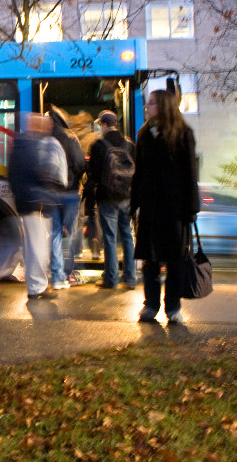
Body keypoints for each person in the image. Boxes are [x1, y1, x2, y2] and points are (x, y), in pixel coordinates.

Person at [131, 89, 201, 324]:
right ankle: (150, 305)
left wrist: (191, 208)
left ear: (163, 106)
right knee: (150, 260)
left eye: (151, 103)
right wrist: (135, 203)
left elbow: (190, 174)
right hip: (150, 208)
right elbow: (139, 172)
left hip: (174, 209)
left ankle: (173, 308)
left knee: (175, 261)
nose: (147, 107)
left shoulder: (182, 133)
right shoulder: (144, 134)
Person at [9, 112, 68, 300]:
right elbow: (36, 173)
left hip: (34, 203)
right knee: (37, 247)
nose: (47, 128)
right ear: (35, 125)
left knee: (38, 247)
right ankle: (37, 287)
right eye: (43, 125)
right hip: (34, 203)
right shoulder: (28, 145)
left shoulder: (24, 144)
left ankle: (38, 285)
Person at [84, 110, 138, 289]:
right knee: (128, 236)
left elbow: (94, 172)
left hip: (107, 197)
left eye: (101, 125)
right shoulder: (129, 144)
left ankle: (111, 279)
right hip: (126, 196)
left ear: (105, 124)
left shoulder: (99, 145)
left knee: (109, 237)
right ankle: (130, 278)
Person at [47, 107, 84, 290]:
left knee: (54, 234)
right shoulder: (71, 138)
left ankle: (57, 275)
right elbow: (80, 164)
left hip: (52, 194)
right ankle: (68, 272)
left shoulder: (45, 140)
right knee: (70, 233)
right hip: (70, 193)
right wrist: (74, 180)